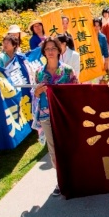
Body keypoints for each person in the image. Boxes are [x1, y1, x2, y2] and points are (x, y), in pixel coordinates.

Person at [32, 37, 78, 196]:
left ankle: (73, 176)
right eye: (47, 49)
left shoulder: (67, 71)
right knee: (53, 149)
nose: (50, 52)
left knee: (68, 146)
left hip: (64, 115)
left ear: (59, 50)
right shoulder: (39, 72)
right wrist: (37, 92)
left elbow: (76, 92)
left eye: (53, 48)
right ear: (43, 52)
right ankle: (61, 180)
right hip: (46, 114)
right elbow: (35, 94)